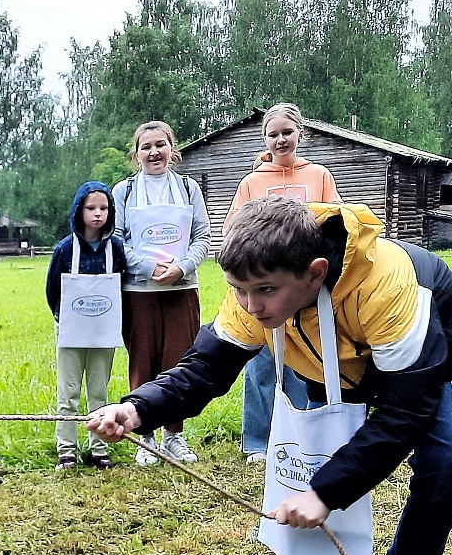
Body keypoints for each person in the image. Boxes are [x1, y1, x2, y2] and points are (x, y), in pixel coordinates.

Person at [87, 196, 452, 555]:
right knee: (300, 472)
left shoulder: (386, 284)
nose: (251, 305)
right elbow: (205, 368)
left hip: (429, 363)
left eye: (264, 291)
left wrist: (327, 493)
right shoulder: (257, 284)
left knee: (449, 466)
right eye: (238, 290)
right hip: (322, 361)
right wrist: (138, 408)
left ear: (315, 272)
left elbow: (404, 412)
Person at [229, 103, 339, 463]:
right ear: (264, 139)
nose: (280, 140)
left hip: (304, 288)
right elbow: (233, 230)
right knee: (262, 366)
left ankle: (302, 436)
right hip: (265, 285)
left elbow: (336, 222)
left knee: (305, 361)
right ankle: (259, 442)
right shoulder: (252, 182)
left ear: (300, 135)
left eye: (287, 132)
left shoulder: (319, 175)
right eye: (273, 134)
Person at [112, 120, 211, 466]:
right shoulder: (123, 191)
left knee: (179, 362)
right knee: (143, 362)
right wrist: (148, 268)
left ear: (172, 148)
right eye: (146, 147)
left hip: (182, 289)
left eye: (160, 145)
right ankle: (146, 437)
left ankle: (174, 435)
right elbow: (116, 240)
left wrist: (182, 267)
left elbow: (202, 236)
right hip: (139, 291)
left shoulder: (187, 188)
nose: (154, 152)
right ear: (136, 153)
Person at [46, 180, 125, 469]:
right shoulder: (65, 249)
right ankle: (66, 449)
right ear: (79, 210)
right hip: (71, 330)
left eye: (103, 208)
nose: (97, 213)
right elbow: (52, 289)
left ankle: (98, 448)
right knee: (68, 392)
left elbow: (122, 287)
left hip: (104, 331)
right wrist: (63, 319)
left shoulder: (116, 249)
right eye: (91, 208)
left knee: (99, 391)